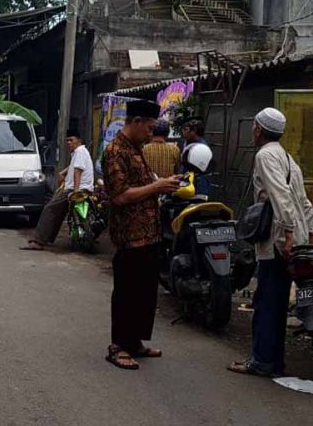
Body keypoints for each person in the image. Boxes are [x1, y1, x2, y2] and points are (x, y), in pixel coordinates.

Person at [229, 107, 313, 378]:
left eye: (254, 127)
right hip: (293, 238)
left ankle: (263, 361)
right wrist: (306, 232)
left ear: (258, 129)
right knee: (276, 301)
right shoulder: (287, 158)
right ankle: (272, 361)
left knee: (267, 301)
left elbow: (280, 195)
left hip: (278, 241)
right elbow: (303, 201)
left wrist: (288, 233)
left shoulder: (265, 156)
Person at [102, 99, 181, 370]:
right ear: (135, 122)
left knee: (146, 292)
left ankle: (134, 341)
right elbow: (121, 196)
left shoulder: (138, 150)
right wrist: (157, 187)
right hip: (129, 234)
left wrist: (163, 186)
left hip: (149, 233)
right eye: (148, 127)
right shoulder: (115, 152)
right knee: (127, 291)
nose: (151, 133)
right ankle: (118, 346)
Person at [20, 129, 94, 250]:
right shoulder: (80, 152)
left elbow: (77, 171)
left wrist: (75, 192)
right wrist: (63, 172)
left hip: (75, 189)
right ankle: (47, 238)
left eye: (71, 140)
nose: (69, 142)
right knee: (59, 211)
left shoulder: (80, 151)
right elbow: (74, 166)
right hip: (83, 188)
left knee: (50, 208)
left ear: (79, 140)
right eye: (67, 140)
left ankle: (39, 241)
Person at [180, 117, 212, 197]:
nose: (183, 132)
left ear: (194, 131)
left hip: (197, 184)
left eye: (186, 129)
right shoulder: (187, 143)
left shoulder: (201, 147)